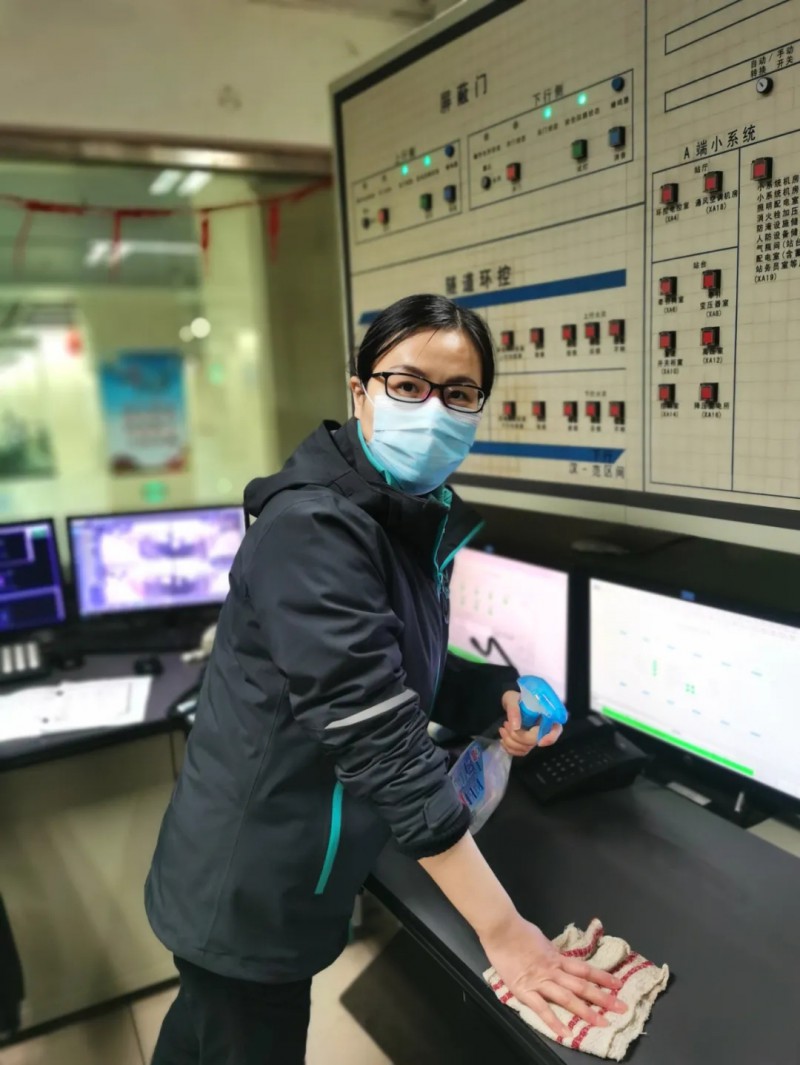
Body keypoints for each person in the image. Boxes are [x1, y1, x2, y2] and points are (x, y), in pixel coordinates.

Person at [146, 294, 627, 1064]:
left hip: (291, 855)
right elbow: (382, 743)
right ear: (359, 390)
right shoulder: (314, 529)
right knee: (234, 1035)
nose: (433, 410)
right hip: (249, 880)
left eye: (459, 393)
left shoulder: (400, 513)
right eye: (407, 385)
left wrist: (494, 692)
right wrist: (507, 934)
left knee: (202, 1039)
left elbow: (395, 663)